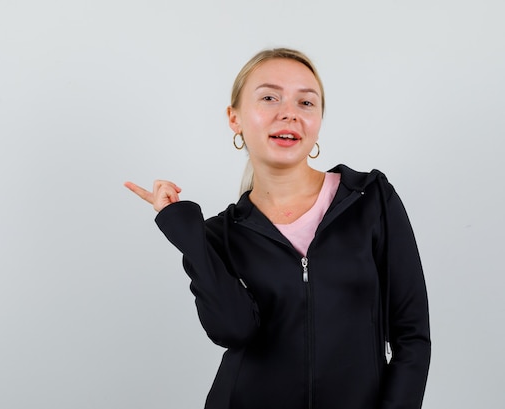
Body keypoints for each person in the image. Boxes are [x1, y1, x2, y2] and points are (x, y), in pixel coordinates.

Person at [124, 48, 430, 409]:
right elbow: (232, 330)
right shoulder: (220, 234)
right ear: (234, 118)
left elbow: (412, 338)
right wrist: (186, 232)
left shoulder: (369, 199)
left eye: (306, 102)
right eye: (269, 97)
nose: (289, 113)